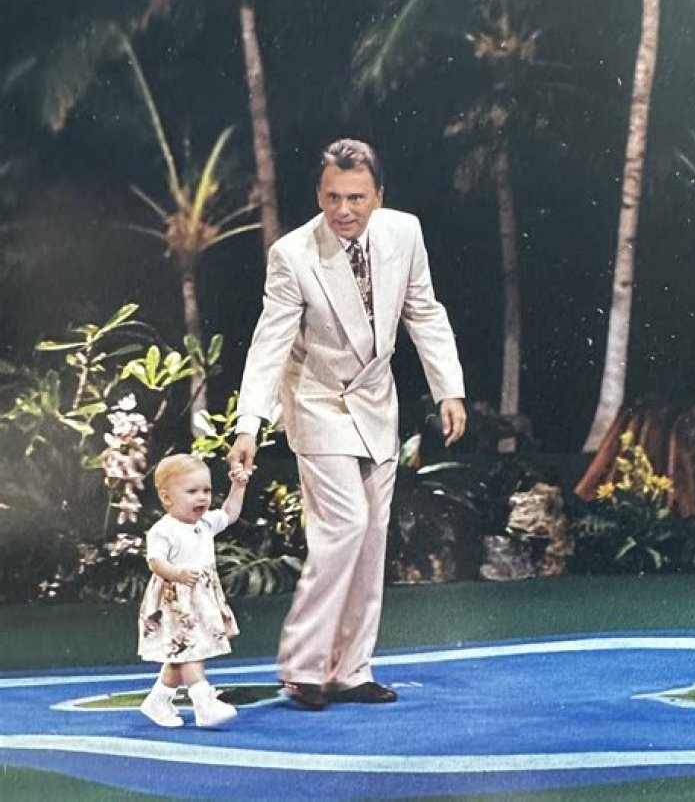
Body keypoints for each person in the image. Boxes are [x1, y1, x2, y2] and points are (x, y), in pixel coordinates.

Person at [228, 138, 466, 711]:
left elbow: (424, 311)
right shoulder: (292, 254)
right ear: (319, 194)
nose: (344, 210)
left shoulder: (404, 232)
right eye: (333, 197)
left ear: (378, 195)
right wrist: (249, 424)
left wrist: (449, 390)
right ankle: (303, 667)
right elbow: (269, 343)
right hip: (318, 401)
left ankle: (350, 670)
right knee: (345, 525)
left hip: (376, 403)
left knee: (372, 535)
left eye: (356, 198)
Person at [138, 453, 249, 728]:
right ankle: (203, 702)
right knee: (190, 650)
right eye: (192, 491)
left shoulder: (205, 524)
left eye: (206, 491)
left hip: (201, 597)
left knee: (182, 655)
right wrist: (177, 574)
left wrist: (238, 486)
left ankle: (158, 699)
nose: (202, 497)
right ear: (167, 498)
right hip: (176, 601)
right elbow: (155, 562)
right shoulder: (164, 530)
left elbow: (229, 513)